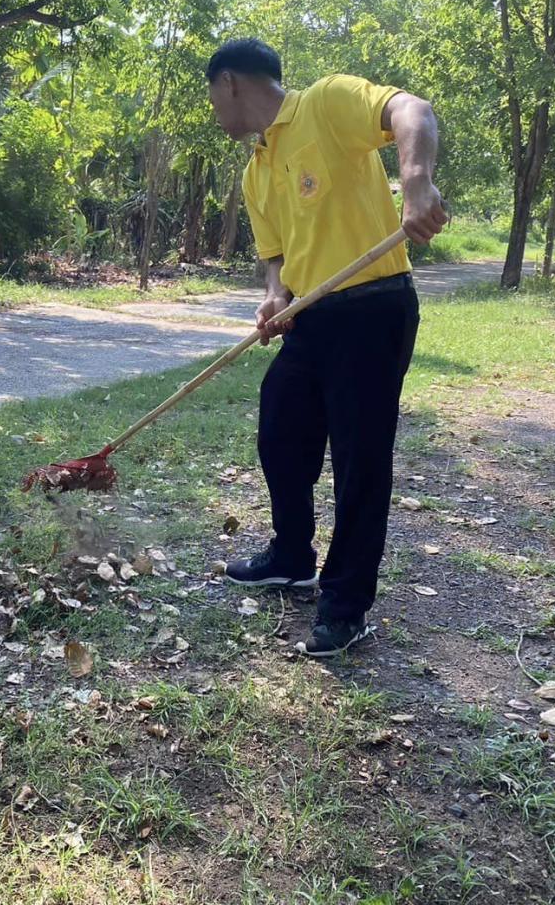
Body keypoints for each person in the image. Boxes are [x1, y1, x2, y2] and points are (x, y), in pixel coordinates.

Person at [206, 38, 447, 657]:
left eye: (212, 96)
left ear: (229, 82)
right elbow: (277, 258)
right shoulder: (256, 169)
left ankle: (346, 604)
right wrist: (274, 297)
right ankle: (291, 556)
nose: (213, 110)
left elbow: (413, 110)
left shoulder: (328, 102)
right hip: (311, 317)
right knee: (280, 427)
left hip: (373, 306)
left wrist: (415, 179)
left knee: (360, 460)